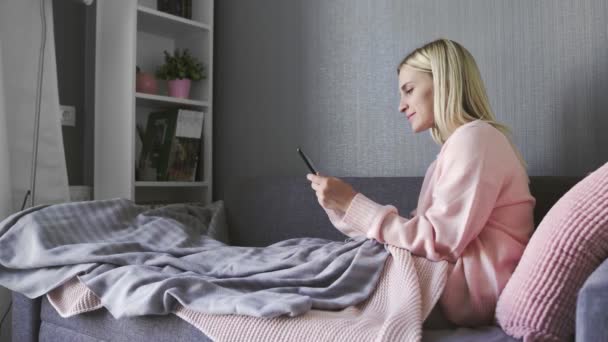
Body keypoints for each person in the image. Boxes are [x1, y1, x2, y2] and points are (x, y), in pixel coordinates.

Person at [306, 38, 535, 327]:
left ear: (443, 83)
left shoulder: (476, 139)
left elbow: (438, 240)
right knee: (322, 263)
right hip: (452, 282)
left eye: (409, 90)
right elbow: (417, 238)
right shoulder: (454, 151)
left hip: (470, 293)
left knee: (319, 268)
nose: (401, 106)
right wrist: (342, 208)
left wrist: (354, 204)